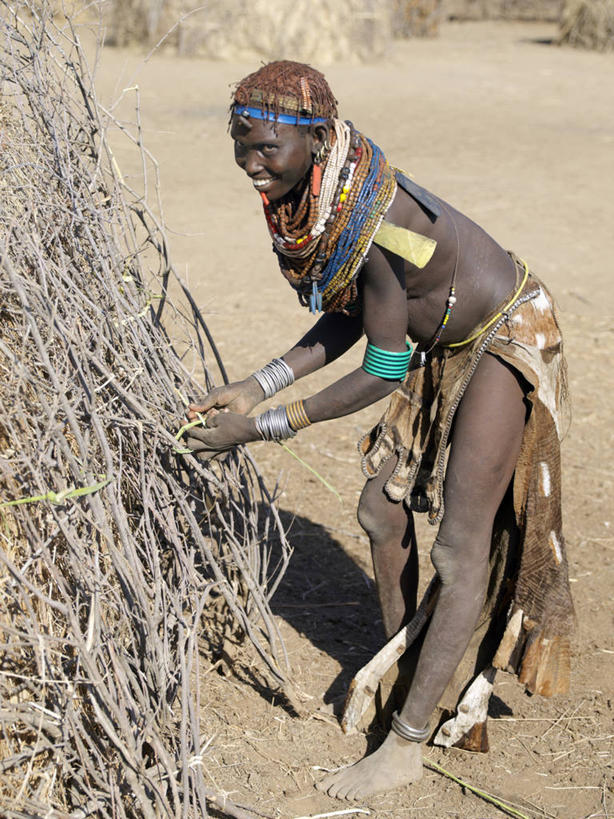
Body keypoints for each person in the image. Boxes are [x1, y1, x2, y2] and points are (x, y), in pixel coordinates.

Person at [185, 61, 574, 801]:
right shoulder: (329, 198)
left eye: (266, 147)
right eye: (240, 145)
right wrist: (258, 381)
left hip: (502, 334)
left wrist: (263, 424)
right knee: (379, 509)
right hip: (445, 337)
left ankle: (406, 744)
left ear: (318, 137)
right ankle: (408, 674)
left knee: (462, 548)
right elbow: (356, 309)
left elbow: (384, 366)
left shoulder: (379, 222)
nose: (251, 165)